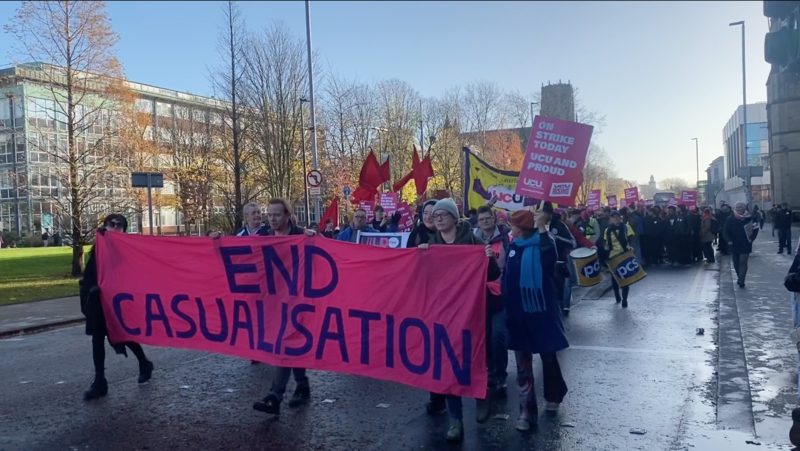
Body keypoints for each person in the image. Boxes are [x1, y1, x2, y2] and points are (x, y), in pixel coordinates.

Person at [418, 198, 500, 442]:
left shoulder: (473, 241)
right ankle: (456, 421)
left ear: (455, 218)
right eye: (436, 215)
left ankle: (482, 394)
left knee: (473, 358)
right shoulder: (431, 245)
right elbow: (423, 280)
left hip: (472, 311)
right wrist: (420, 257)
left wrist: (488, 258)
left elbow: (493, 275)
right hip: (445, 313)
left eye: (445, 214)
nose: (439, 217)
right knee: (449, 365)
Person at [503, 209, 569, 432]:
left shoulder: (542, 244)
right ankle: (526, 411)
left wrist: (542, 228)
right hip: (518, 315)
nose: (510, 229)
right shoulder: (513, 246)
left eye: (512, 226)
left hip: (540, 312)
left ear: (521, 229)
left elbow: (550, 259)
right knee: (523, 365)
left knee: (548, 356)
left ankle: (554, 393)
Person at [253, 198, 316, 416]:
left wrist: (315, 238)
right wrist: (216, 240)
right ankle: (302, 384)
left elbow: (326, 251)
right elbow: (238, 251)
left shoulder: (301, 234)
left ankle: (275, 396)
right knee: (292, 344)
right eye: (269, 214)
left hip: (298, 301)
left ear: (287, 216)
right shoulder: (264, 236)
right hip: (273, 302)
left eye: (277, 215)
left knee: (285, 344)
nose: (272, 218)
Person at [80, 214, 154, 401]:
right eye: (110, 224)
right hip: (98, 300)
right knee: (97, 338)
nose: (114, 227)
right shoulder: (98, 247)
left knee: (123, 335)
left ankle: (144, 362)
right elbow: (89, 274)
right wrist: (91, 290)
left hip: (118, 301)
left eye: (118, 225)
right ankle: (99, 381)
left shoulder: (126, 249)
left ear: (124, 229)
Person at [473, 205, 510, 397]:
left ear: (494, 219)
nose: (485, 222)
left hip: (499, 295)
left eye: (488, 219)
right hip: (478, 297)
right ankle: (487, 373)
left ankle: (500, 375)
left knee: (497, 336)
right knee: (483, 338)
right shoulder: (472, 240)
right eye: (482, 219)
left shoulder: (504, 239)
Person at [602, 211, 635, 308]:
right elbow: (606, 243)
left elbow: (631, 238)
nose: (616, 219)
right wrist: (606, 249)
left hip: (624, 254)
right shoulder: (607, 230)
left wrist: (631, 247)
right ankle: (617, 296)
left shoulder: (626, 227)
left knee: (626, 279)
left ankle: (625, 299)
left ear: (620, 218)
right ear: (611, 219)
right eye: (614, 217)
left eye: (617, 217)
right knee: (615, 279)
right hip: (613, 257)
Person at [725, 202, 759, 288]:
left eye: (741, 207)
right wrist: (728, 240)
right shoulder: (730, 218)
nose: (739, 208)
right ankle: (739, 276)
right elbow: (725, 231)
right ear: (734, 208)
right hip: (734, 244)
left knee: (743, 262)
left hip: (745, 243)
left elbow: (756, 229)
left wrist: (752, 238)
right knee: (736, 263)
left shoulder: (750, 218)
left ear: (744, 208)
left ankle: (742, 280)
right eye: (737, 207)